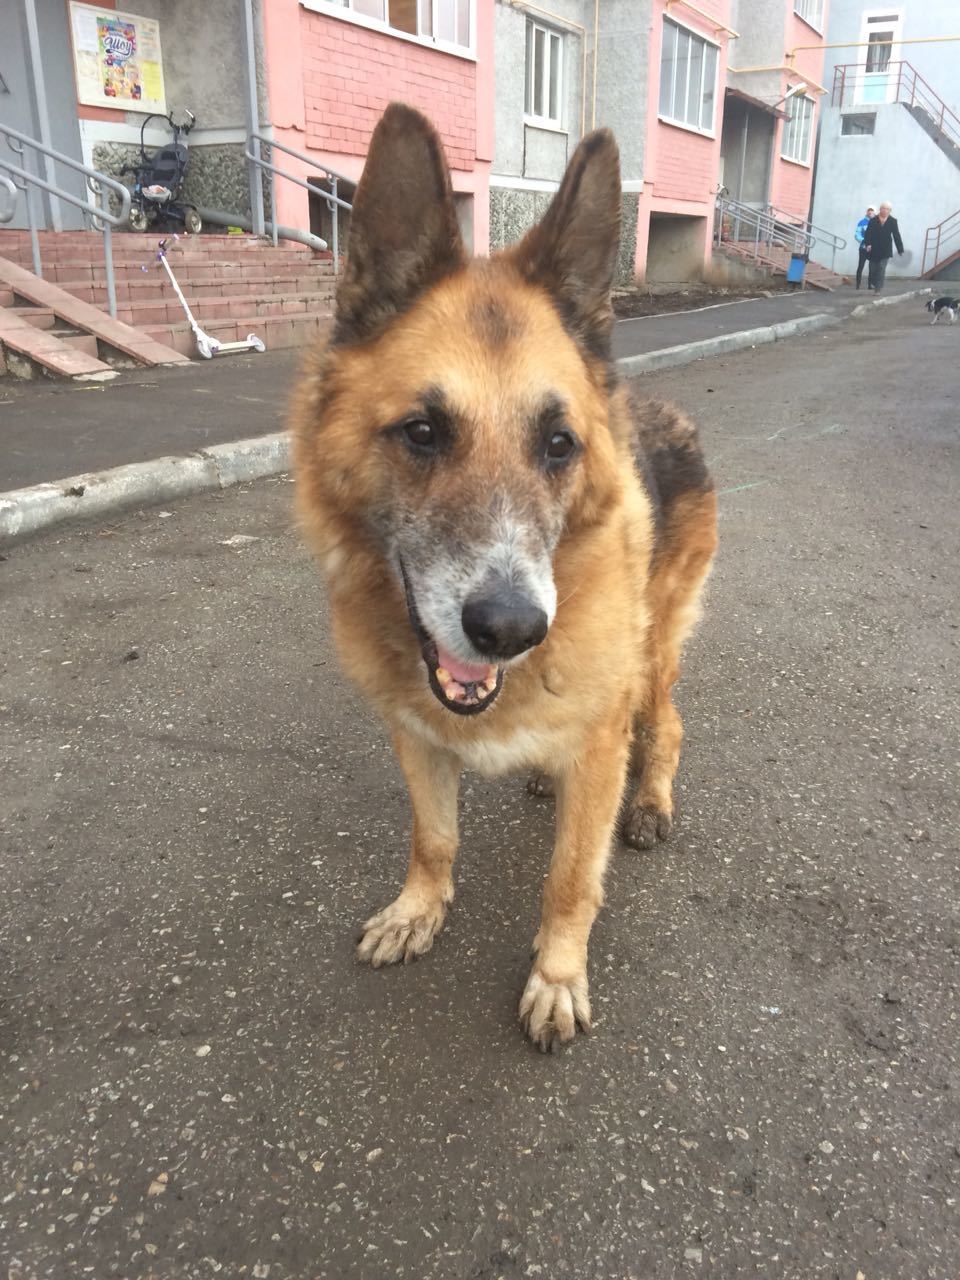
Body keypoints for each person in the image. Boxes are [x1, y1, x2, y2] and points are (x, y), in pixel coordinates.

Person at [862, 202, 904, 295]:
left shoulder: (893, 221)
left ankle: (878, 289)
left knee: (881, 268)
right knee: (872, 269)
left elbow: (896, 235)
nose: (885, 210)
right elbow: (868, 233)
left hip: (885, 249)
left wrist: (900, 249)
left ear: (890, 211)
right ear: (880, 209)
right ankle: (873, 282)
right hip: (873, 249)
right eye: (883, 208)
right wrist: (868, 244)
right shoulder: (873, 220)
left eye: (887, 209)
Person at [854, 206, 875, 289]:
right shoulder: (862, 222)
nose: (870, 214)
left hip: (873, 249)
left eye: (872, 212)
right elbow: (857, 235)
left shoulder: (876, 222)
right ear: (867, 213)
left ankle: (870, 284)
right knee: (861, 265)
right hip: (863, 248)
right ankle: (858, 284)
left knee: (872, 267)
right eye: (869, 212)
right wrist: (865, 240)